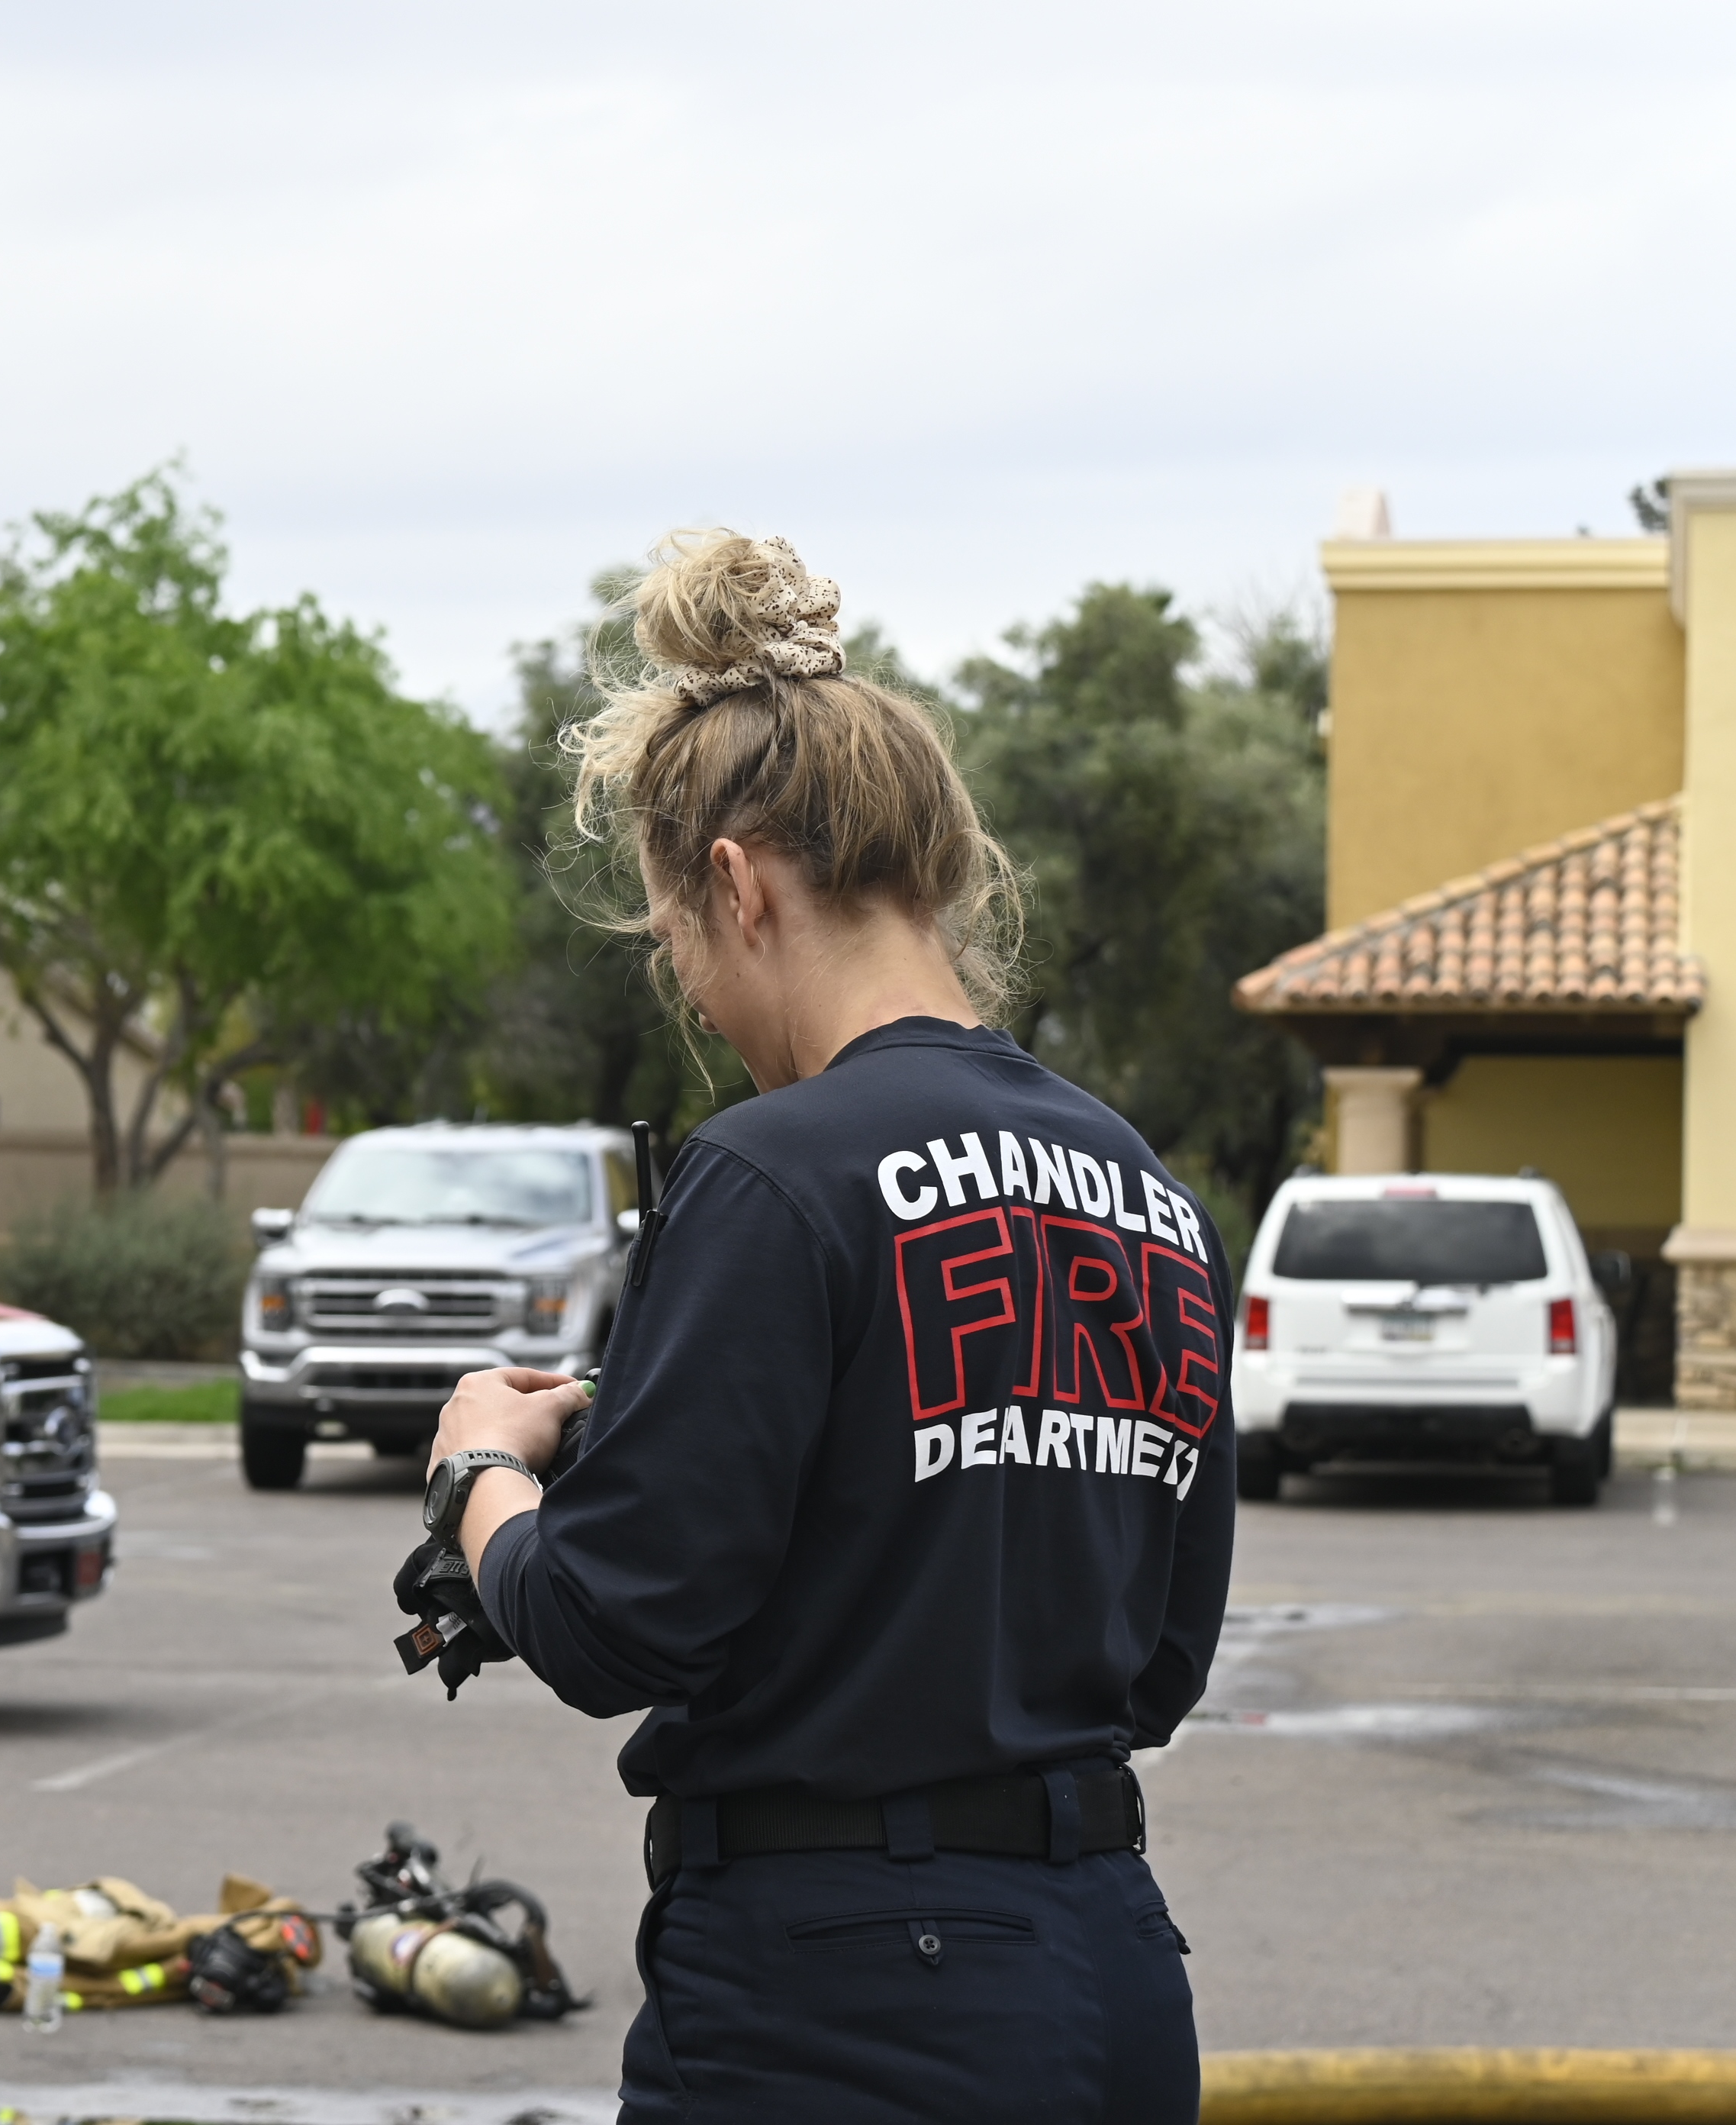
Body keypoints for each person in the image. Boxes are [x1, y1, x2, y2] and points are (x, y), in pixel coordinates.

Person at [422, 530, 1235, 2123]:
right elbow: (1159, 1661)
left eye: (675, 942)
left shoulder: (773, 1174)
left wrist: (482, 1475)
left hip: (840, 1992)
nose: (694, 995)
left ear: (738, 885)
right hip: (1113, 1970)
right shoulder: (1150, 1193)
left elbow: (609, 1625)